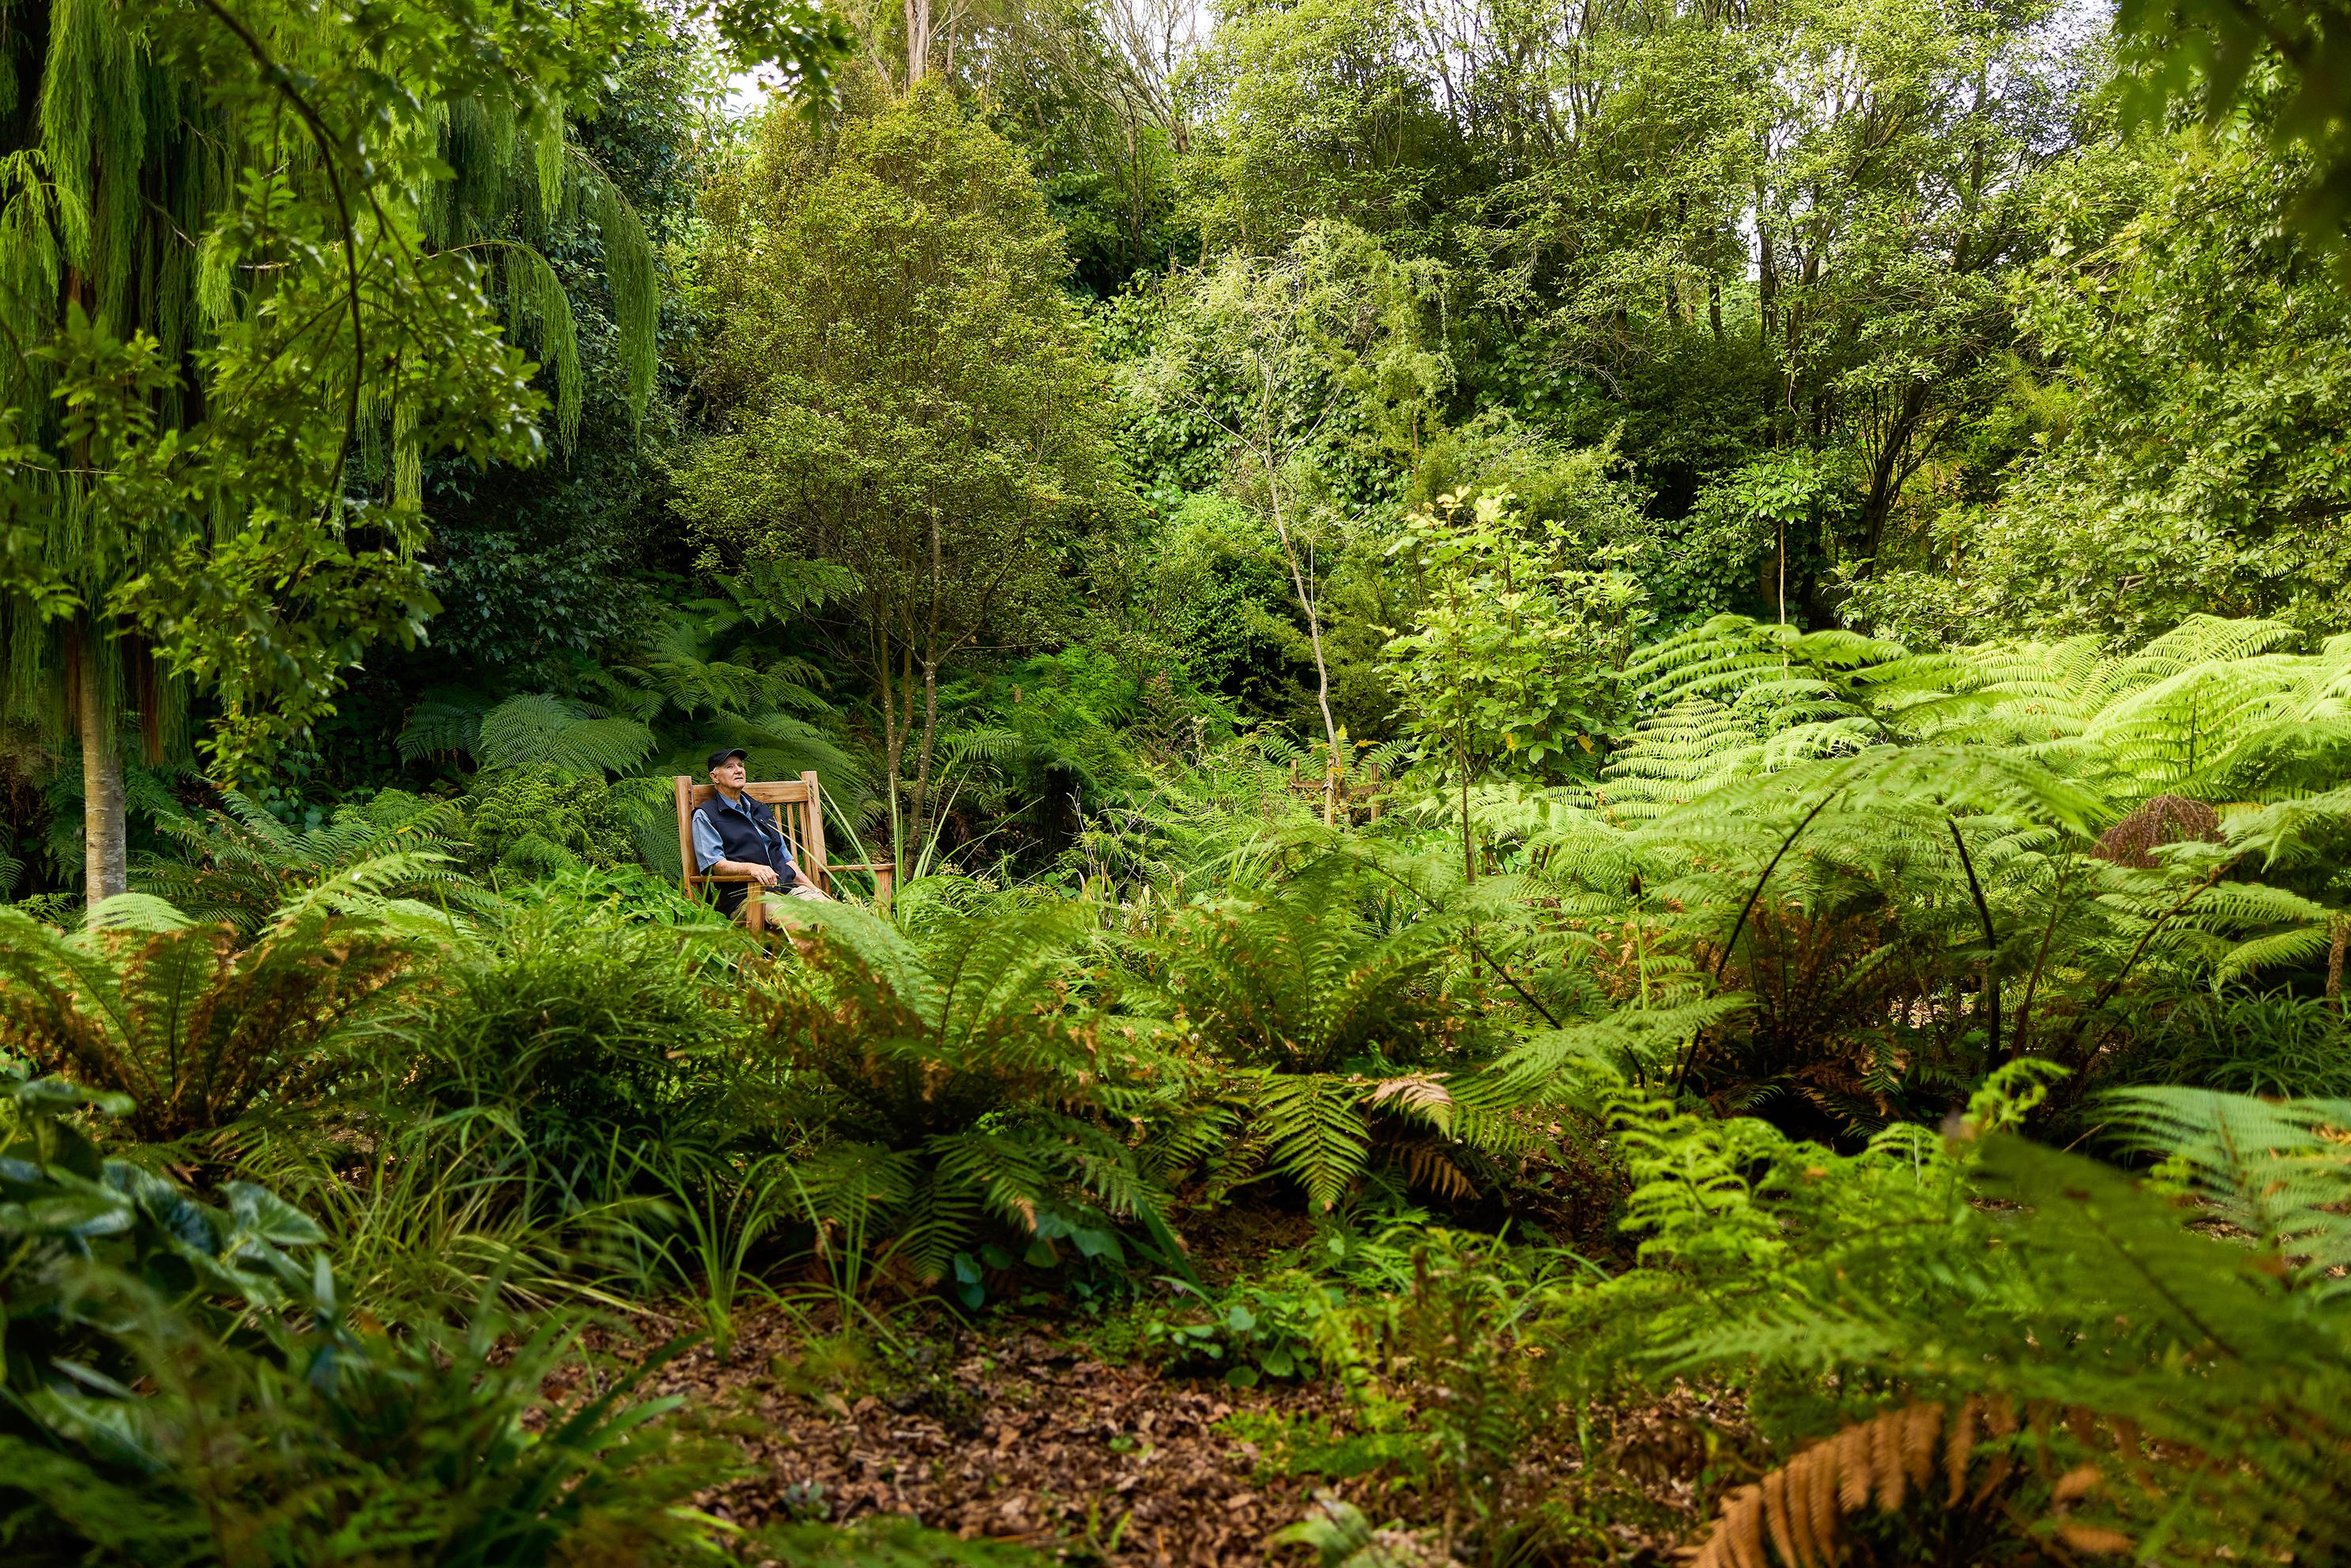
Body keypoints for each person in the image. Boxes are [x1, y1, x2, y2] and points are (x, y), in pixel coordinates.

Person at [691, 748, 831, 915]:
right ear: (715, 777)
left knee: (835, 913)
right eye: (730, 767)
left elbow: (786, 858)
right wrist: (752, 868)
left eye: (741, 765)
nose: (739, 770)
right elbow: (715, 865)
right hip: (749, 897)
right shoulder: (706, 815)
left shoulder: (760, 810)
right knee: (795, 919)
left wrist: (814, 890)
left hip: (787, 891)